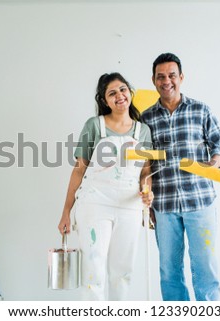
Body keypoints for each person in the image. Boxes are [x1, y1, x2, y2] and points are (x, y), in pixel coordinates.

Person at [58, 72, 153, 301]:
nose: (119, 95)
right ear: (104, 100)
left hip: (130, 208)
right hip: (95, 205)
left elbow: (145, 171)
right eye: (112, 93)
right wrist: (66, 212)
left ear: (129, 92)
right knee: (94, 271)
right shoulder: (95, 126)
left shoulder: (143, 131)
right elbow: (79, 170)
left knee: (122, 273)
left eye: (122, 89)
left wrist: (147, 191)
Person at [141, 53, 220, 301]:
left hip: (200, 202)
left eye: (171, 75)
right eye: (160, 77)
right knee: (169, 272)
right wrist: (146, 200)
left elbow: (219, 145)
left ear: (181, 77)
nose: (166, 81)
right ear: (153, 80)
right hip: (164, 206)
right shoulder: (146, 119)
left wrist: (214, 162)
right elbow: (145, 164)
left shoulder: (201, 110)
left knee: (205, 270)